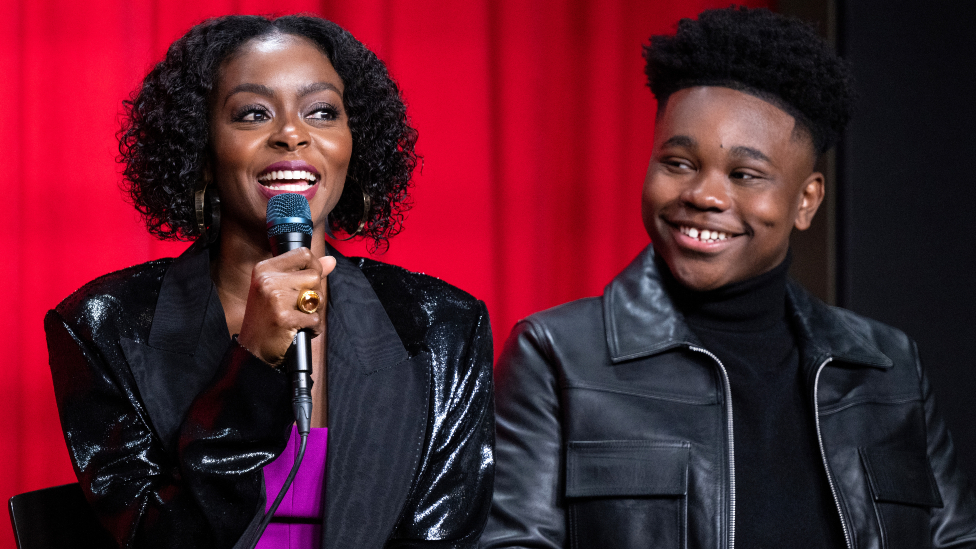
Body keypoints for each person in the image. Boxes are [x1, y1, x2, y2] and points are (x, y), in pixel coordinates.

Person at [481, 7, 976, 549]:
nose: (704, 195)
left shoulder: (888, 366)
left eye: (744, 175)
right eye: (677, 162)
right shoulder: (556, 355)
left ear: (806, 200)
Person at [46, 14, 493, 549]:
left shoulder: (443, 327)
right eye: (253, 113)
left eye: (322, 112)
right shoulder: (103, 326)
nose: (291, 133)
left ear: (354, 143)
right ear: (202, 150)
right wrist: (252, 363)